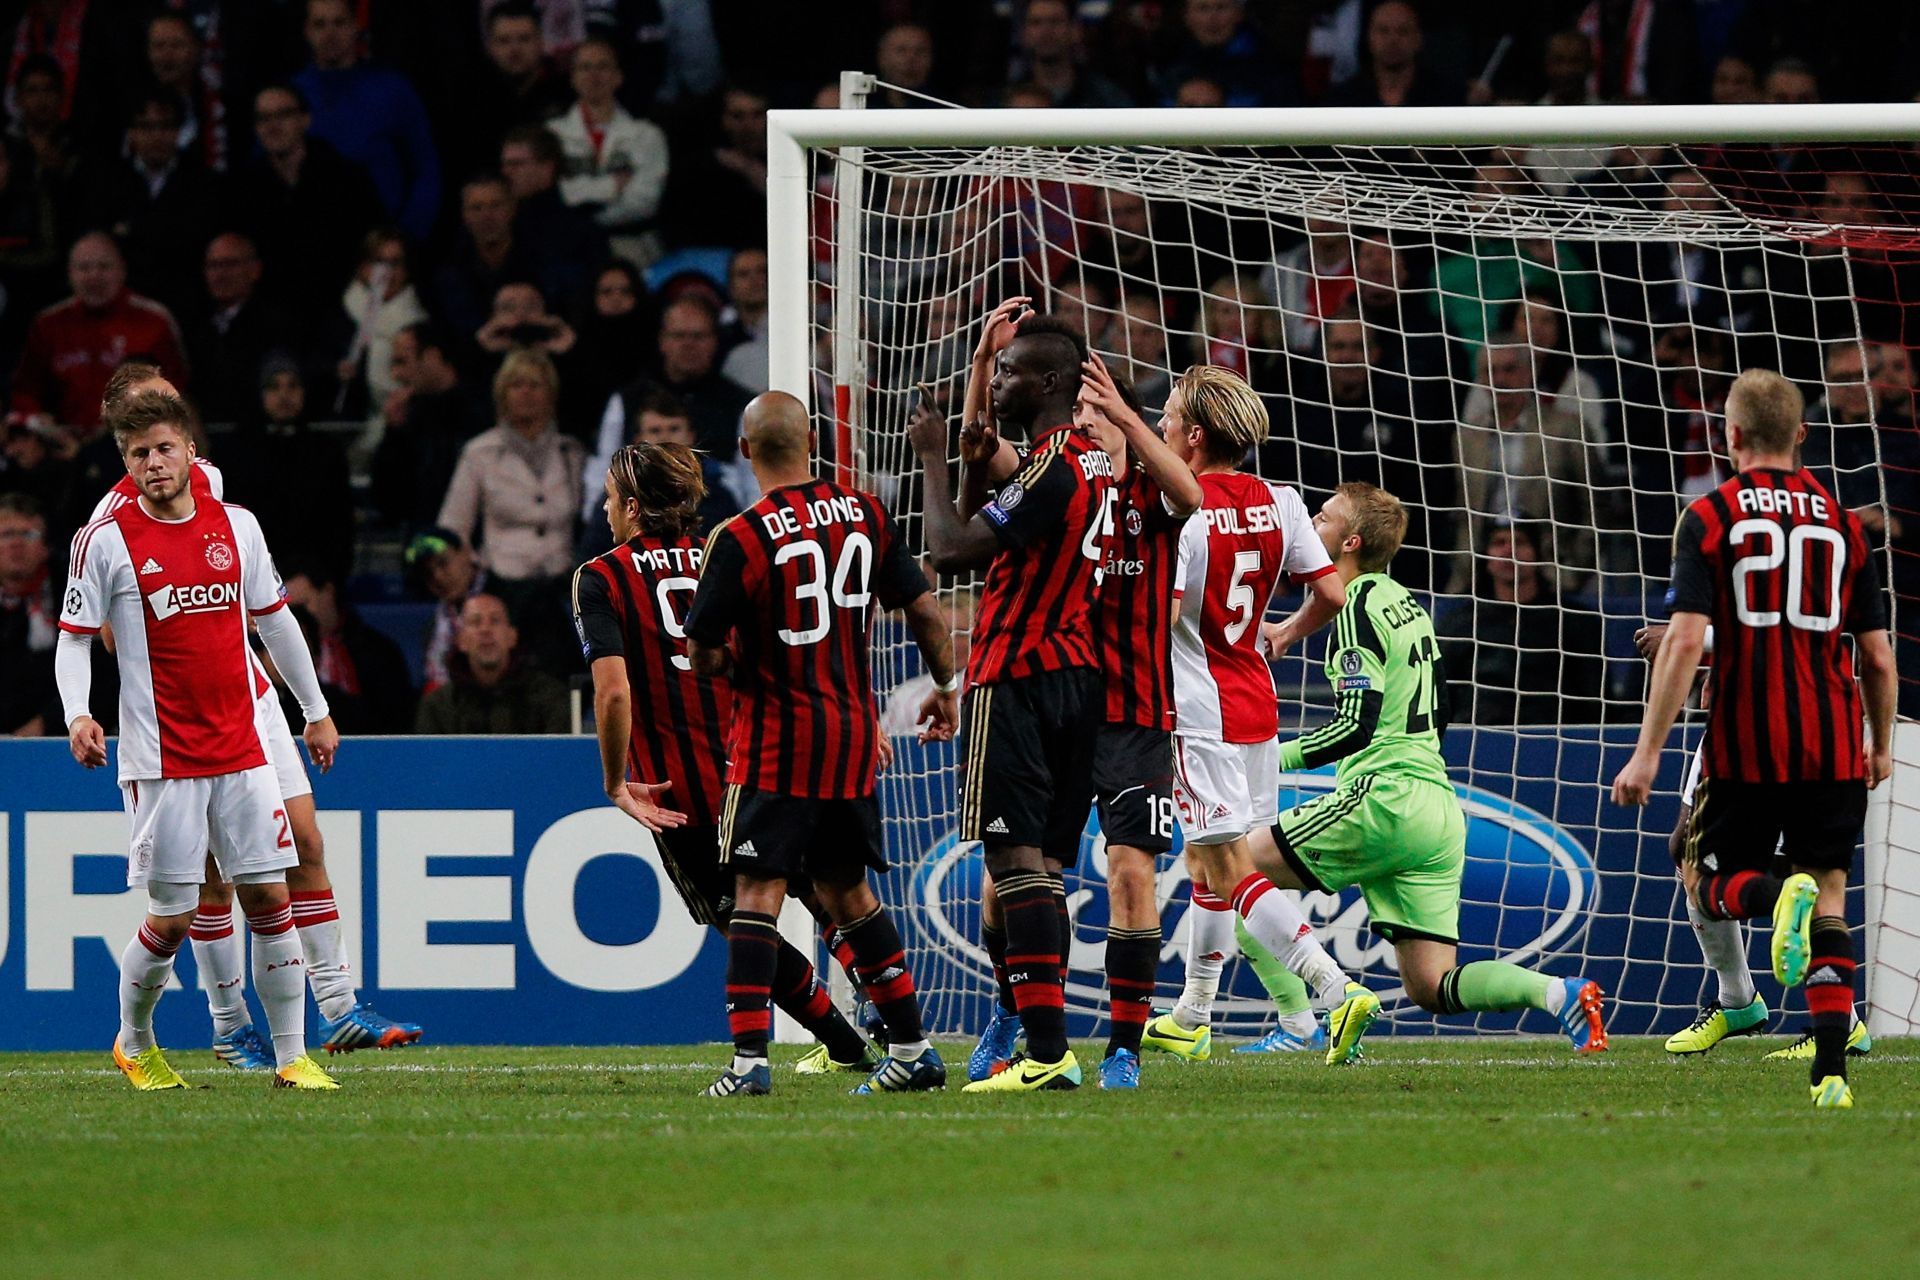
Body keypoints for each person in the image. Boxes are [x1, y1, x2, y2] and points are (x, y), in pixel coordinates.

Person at [86, 362, 422, 1062]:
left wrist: (308, 702)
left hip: (249, 696)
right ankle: (229, 1024)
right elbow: (110, 630)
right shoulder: (111, 521)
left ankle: (337, 1006)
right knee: (211, 880)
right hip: (178, 717)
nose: (171, 426)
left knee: (304, 838)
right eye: (152, 414)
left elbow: (248, 591)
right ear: (123, 430)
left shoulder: (206, 481)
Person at [1216, 482, 1609, 1064]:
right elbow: (1442, 705)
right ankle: (1560, 994)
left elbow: (1355, 726)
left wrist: (1273, 754)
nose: (1311, 523)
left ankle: (1300, 1024)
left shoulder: (1355, 609)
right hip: (1437, 811)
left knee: (1237, 869)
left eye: (1322, 518)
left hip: (1385, 799)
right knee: (1431, 984)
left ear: (1349, 542)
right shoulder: (1404, 603)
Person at [1613, 369, 1896, 1109]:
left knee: (1701, 875)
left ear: (1730, 436)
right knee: (1831, 899)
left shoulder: (1709, 516)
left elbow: (1682, 643)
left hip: (1745, 741)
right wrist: (1881, 744)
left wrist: (1646, 753)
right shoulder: (1843, 524)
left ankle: (1774, 901)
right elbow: (1878, 655)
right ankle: (1831, 1074)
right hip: (1834, 740)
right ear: (1802, 436)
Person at [56, 390, 341, 1090]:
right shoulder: (106, 540)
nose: (153, 464)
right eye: (137, 455)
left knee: (269, 900)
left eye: (162, 449)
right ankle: (133, 1041)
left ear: (189, 449)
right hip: (162, 763)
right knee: (174, 918)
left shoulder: (237, 526)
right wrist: (76, 713)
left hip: (243, 753)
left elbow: (275, 623)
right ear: (126, 464)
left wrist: (315, 708)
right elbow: (72, 641)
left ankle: (291, 1057)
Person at [572, 440, 881, 1077]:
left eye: (608, 499)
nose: (604, 511)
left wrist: (615, 782)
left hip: (681, 787)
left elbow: (612, 688)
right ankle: (881, 1005)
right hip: (768, 757)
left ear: (631, 508)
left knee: (744, 924)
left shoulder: (600, 577)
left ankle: (845, 1046)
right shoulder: (726, 547)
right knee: (825, 890)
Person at [683, 391, 959, 1097]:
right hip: (851, 737)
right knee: (848, 891)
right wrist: (947, 686)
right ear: (813, 442)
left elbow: (702, 649)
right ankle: (914, 1049)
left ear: (745, 452)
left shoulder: (740, 536)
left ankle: (748, 1064)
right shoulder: (864, 511)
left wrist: (738, 662)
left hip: (777, 738)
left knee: (755, 893)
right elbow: (924, 609)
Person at [906, 313, 1116, 1092]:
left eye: (1011, 371)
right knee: (1041, 870)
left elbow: (951, 548)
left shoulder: (1055, 465)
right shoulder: (1089, 464)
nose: (999, 382)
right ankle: (1033, 1037)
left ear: (1054, 383)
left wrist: (927, 457)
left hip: (1019, 671)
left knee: (1014, 861)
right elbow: (981, 481)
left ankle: (1047, 1052)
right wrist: (977, 366)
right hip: (1075, 676)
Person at [1125, 365, 1347, 1065]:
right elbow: (1332, 594)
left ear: (1193, 436)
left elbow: (1160, 619)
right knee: (1206, 861)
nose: (1159, 428)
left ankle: (1334, 990)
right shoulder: (1282, 501)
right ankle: (1193, 1012)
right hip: (1257, 708)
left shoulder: (1184, 511)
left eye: (1166, 417)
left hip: (1196, 712)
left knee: (1226, 867)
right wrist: (1283, 631)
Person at [436, 347, 586, 671]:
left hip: (561, 588)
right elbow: (452, 528)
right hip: (502, 587)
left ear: (552, 394)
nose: (527, 393)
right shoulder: (479, 453)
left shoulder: (571, 453)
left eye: (536, 385)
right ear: (502, 394)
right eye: (517, 385)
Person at [232, 83, 387, 319]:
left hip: (340, 313)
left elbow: (375, 246)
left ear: (305, 120)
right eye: (263, 118)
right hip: (268, 320)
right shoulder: (243, 189)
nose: (273, 125)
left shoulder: (347, 180)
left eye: (283, 115)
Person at [293, 0, 440, 242]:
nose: (330, 33)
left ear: (355, 26)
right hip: (310, 244)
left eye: (339, 23)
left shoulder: (393, 89)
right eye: (320, 24)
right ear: (306, 31)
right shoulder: (289, 97)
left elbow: (426, 168)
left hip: (384, 241)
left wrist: (408, 234)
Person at [1434, 520, 1606, 727]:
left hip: (1556, 741)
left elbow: (1594, 702)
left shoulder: (1576, 621)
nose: (1509, 550)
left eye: (1520, 542)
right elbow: (1440, 698)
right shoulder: (1458, 625)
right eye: (1499, 543)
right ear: (1485, 558)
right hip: (1476, 740)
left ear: (1538, 555)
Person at [12, 233, 187, 436]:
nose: (94, 275)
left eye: (104, 267)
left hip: (137, 442)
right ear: (70, 273)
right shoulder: (48, 324)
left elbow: (179, 389)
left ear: (122, 270)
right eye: (84, 268)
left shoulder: (154, 320)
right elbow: (25, 391)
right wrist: (34, 419)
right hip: (64, 446)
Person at [592, 297, 752, 494]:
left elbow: (751, 478)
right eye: (679, 335)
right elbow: (604, 470)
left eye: (698, 336)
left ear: (715, 341)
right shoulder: (627, 400)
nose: (688, 344)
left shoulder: (740, 404)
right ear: (662, 341)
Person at [547, 35, 670, 268]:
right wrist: (612, 185)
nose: (594, 75)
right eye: (585, 67)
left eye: (603, 66)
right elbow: (556, 195)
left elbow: (644, 201)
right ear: (573, 78)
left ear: (618, 76)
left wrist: (584, 215)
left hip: (634, 248)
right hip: (571, 251)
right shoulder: (552, 135)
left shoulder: (647, 135)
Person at [372, 322, 489, 529]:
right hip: (424, 543)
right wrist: (393, 434)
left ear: (432, 356)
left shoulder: (484, 412)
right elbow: (389, 503)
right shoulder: (407, 417)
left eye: (402, 362)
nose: (395, 374)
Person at [184, 233, 301, 426]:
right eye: (213, 266)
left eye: (230, 264)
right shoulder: (195, 326)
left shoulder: (276, 325)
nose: (220, 274)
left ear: (255, 270)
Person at [415, 592, 569, 734]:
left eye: (495, 620)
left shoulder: (549, 697)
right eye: (475, 622)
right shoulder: (438, 705)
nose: (485, 629)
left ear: (512, 637)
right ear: (461, 640)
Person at [0, 492, 58, 735]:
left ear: (45, 547)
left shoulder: (70, 591)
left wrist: (45, 724)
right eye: (6, 535)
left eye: (28, 534)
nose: (16, 543)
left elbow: (101, 673)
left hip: (63, 736)